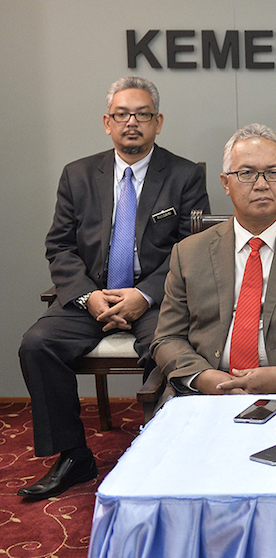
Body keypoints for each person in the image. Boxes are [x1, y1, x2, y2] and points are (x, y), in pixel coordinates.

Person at [18, 76, 210, 500]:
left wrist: (143, 295)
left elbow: (193, 250)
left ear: (158, 122)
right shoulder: (78, 175)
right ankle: (73, 455)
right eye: (122, 115)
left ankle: (162, 451)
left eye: (142, 115)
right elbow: (60, 246)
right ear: (107, 122)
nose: (132, 123)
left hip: (157, 296)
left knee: (168, 346)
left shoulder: (183, 176)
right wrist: (89, 297)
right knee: (37, 344)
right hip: (91, 296)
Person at [151, 124, 276, 402]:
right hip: (205, 393)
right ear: (225, 183)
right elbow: (167, 339)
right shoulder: (189, 252)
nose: (261, 184)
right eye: (246, 173)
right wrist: (201, 377)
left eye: (273, 173)